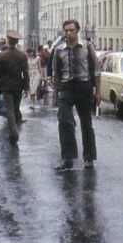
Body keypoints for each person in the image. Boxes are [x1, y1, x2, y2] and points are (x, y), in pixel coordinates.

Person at [52, 19, 100, 171]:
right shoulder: (59, 50)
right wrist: (55, 94)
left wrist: (97, 91)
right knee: (64, 121)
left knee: (86, 123)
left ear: (77, 31)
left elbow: (96, 71)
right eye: (66, 31)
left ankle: (89, 159)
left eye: (71, 30)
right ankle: (68, 159)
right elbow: (56, 74)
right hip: (66, 88)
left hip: (83, 87)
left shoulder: (87, 46)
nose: (68, 33)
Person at [0, 31, 29, 145]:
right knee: (15, 107)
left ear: (8, 41)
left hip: (6, 86)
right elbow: (25, 72)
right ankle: (14, 129)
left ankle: (14, 133)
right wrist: (27, 87)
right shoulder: (23, 55)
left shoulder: (2, 55)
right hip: (18, 85)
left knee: (9, 109)